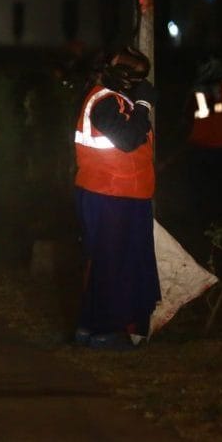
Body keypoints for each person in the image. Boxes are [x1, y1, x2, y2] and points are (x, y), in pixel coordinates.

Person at [71, 46, 160, 350]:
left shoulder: (104, 97)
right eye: (136, 77)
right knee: (116, 264)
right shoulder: (106, 101)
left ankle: (91, 325)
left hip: (108, 192)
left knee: (105, 262)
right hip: (115, 195)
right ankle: (106, 330)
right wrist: (145, 103)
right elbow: (128, 138)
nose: (139, 83)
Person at [186, 56, 222, 229]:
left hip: (207, 145)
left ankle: (209, 221)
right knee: (215, 186)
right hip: (218, 144)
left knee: (206, 186)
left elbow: (197, 113)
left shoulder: (199, 91)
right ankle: (215, 220)